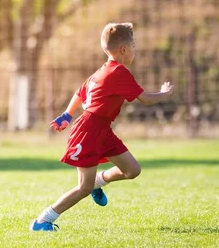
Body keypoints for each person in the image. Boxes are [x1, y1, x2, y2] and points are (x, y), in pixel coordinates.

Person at [30, 22, 174, 231]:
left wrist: (66, 115)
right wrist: (164, 93)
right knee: (84, 187)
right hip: (88, 131)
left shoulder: (102, 71)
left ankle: (100, 181)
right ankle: (43, 220)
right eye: (134, 46)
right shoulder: (118, 73)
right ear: (123, 49)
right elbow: (145, 99)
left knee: (132, 170)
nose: (135, 50)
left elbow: (80, 93)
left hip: (102, 129)